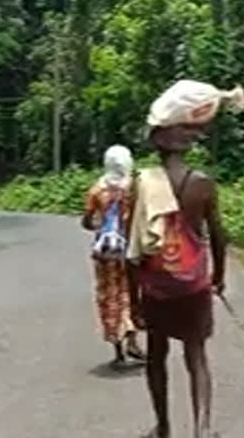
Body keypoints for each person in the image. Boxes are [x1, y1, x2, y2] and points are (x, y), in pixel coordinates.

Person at [128, 80, 242, 438]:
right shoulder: (202, 183)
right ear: (189, 142)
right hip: (193, 282)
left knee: (157, 355)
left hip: (157, 285)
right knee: (197, 356)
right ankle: (202, 429)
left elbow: (133, 248)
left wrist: (133, 301)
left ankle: (163, 427)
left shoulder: (141, 183)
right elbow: (219, 235)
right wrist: (218, 276)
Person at [82, 145, 145, 370]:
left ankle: (118, 350)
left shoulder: (97, 190)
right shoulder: (134, 189)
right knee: (131, 292)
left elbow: (87, 221)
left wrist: (101, 225)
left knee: (110, 295)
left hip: (106, 253)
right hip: (131, 250)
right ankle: (133, 341)